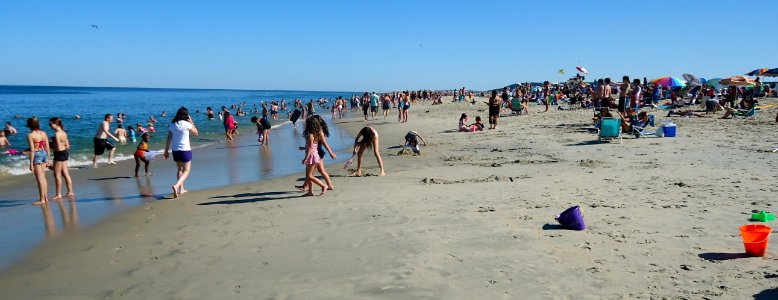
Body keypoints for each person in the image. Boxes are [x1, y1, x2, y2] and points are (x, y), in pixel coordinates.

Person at [164, 107, 198, 199]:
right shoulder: (187, 124)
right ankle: (176, 185)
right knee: (186, 171)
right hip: (185, 150)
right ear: (186, 115)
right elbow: (196, 133)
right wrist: (191, 122)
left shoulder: (173, 124)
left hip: (175, 151)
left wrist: (166, 151)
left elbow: (168, 139)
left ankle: (181, 189)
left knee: (180, 170)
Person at [296, 115, 336, 192]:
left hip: (317, 153)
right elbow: (313, 144)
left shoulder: (318, 132)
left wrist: (331, 153)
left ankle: (308, 187)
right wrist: (304, 148)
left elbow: (323, 144)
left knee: (312, 173)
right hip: (316, 152)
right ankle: (309, 187)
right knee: (318, 171)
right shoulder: (317, 131)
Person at [300, 118, 329, 196]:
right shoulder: (316, 133)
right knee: (308, 175)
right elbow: (312, 146)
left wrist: (306, 158)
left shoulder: (310, 134)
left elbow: (310, 147)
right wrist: (303, 148)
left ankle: (323, 185)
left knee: (309, 176)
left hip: (311, 156)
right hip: (315, 155)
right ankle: (310, 191)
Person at [26, 117, 50, 205]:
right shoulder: (43, 133)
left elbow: (32, 150)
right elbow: (47, 148)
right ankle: (46, 197)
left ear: (29, 125)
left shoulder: (30, 135)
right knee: (43, 177)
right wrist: (48, 160)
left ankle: (42, 199)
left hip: (37, 155)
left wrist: (31, 164)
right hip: (44, 153)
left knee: (39, 178)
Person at [49, 117, 74, 200]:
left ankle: (58, 194)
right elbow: (68, 146)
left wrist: (50, 145)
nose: (50, 126)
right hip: (65, 153)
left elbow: (59, 148)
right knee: (65, 173)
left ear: (55, 124)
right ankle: (70, 191)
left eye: (50, 124)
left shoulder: (57, 134)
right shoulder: (63, 132)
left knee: (57, 175)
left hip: (59, 154)